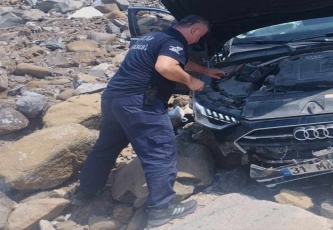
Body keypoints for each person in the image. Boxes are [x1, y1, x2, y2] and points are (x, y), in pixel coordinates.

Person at [72, 14, 225, 229]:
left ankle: (85, 192)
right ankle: (162, 210)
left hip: (114, 99)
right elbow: (166, 67)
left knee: (105, 147)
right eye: (200, 36)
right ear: (194, 31)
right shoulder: (175, 42)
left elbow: (178, 60)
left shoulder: (154, 37)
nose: (198, 41)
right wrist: (192, 82)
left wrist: (204, 70)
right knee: (160, 153)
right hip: (141, 104)